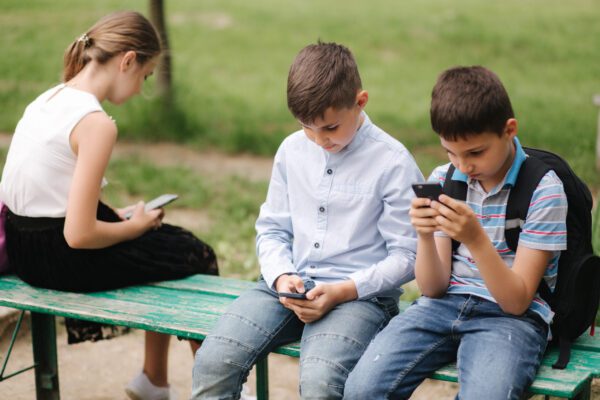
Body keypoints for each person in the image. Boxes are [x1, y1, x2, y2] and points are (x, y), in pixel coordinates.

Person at [0, 11, 219, 400]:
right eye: (145, 76)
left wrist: (116, 216)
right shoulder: (96, 122)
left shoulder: (48, 98)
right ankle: (218, 390)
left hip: (22, 246)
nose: (140, 89)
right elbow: (79, 234)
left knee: (165, 245)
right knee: (193, 253)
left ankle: (154, 381)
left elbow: (53, 193)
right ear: (128, 60)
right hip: (58, 258)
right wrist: (135, 228)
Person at [190, 41, 423, 399]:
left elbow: (408, 256)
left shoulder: (392, 162)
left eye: (329, 127)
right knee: (213, 361)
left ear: (360, 102)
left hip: (359, 298)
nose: (318, 139)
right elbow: (272, 229)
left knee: (321, 383)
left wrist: (344, 290)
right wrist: (282, 274)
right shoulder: (291, 150)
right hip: (285, 289)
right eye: (307, 127)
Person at [344, 66, 568, 399]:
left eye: (475, 152)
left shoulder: (543, 190)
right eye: (451, 152)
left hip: (510, 320)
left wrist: (476, 240)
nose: (464, 166)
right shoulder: (445, 179)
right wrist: (423, 234)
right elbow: (432, 288)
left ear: (509, 130)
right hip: (442, 306)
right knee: (362, 389)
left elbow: (517, 302)